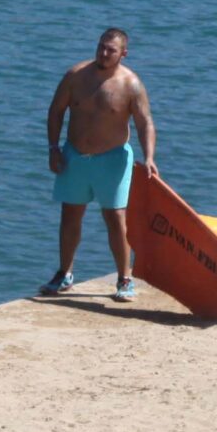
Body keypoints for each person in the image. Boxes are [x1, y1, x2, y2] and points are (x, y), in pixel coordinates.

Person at [40, 27, 158, 301]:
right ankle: (64, 274)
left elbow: (144, 123)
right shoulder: (75, 76)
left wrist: (149, 157)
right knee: (70, 215)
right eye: (101, 47)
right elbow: (56, 111)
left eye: (111, 50)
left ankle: (124, 278)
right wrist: (53, 148)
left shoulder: (131, 84)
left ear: (123, 53)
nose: (103, 53)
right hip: (75, 156)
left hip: (112, 160)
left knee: (115, 219)